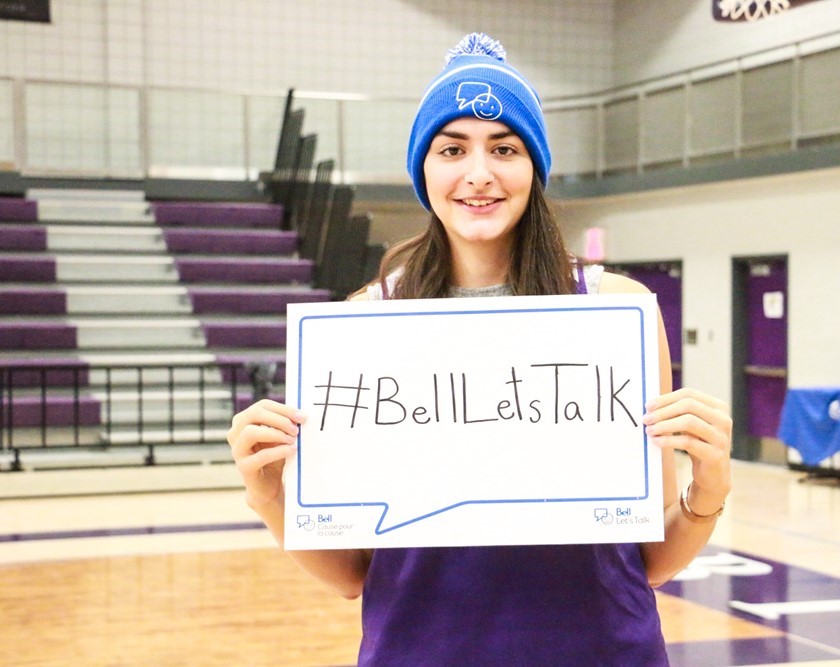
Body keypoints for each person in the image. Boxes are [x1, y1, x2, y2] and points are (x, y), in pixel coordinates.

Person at [228, 33, 732, 665]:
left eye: (504, 148)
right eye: (452, 149)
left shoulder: (615, 310)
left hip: (601, 649)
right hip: (420, 650)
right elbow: (352, 575)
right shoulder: (368, 319)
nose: (478, 173)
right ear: (424, 169)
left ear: (533, 167)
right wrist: (270, 494)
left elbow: (652, 559)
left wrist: (709, 484)